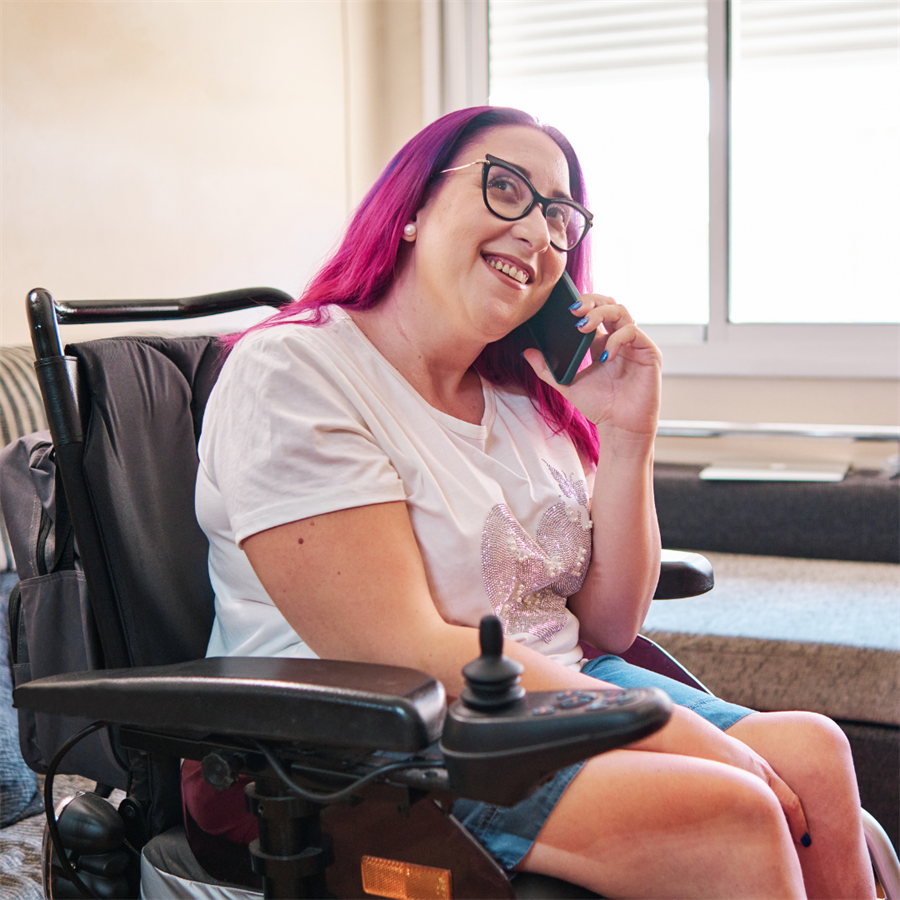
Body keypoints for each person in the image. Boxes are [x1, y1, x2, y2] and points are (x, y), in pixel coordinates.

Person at [186, 106, 876, 899]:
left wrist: (626, 435)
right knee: (735, 808)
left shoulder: (522, 399)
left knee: (819, 755)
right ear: (410, 209)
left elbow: (609, 626)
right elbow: (399, 647)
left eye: (559, 217)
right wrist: (674, 729)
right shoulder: (295, 371)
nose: (541, 234)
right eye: (506, 189)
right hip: (382, 736)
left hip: (548, 698)